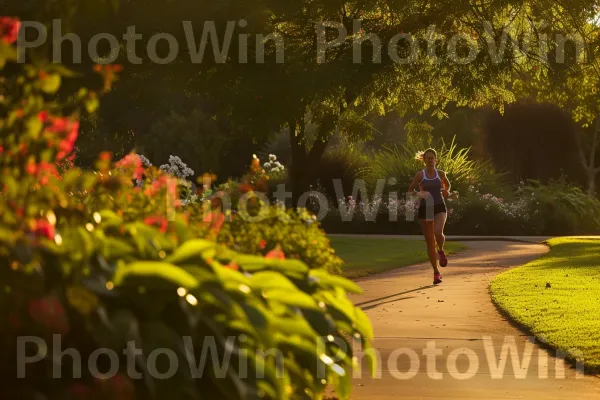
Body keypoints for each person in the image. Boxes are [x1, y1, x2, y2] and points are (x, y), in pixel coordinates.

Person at [408, 148, 451, 285]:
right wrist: (422, 194)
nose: (430, 160)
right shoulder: (420, 175)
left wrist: (446, 191)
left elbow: (447, 185)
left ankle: (441, 250)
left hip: (439, 206)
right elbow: (410, 192)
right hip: (425, 209)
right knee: (429, 241)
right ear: (424, 160)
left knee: (438, 232)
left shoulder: (441, 174)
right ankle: (436, 272)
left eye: (432, 158)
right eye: (427, 158)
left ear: (436, 160)